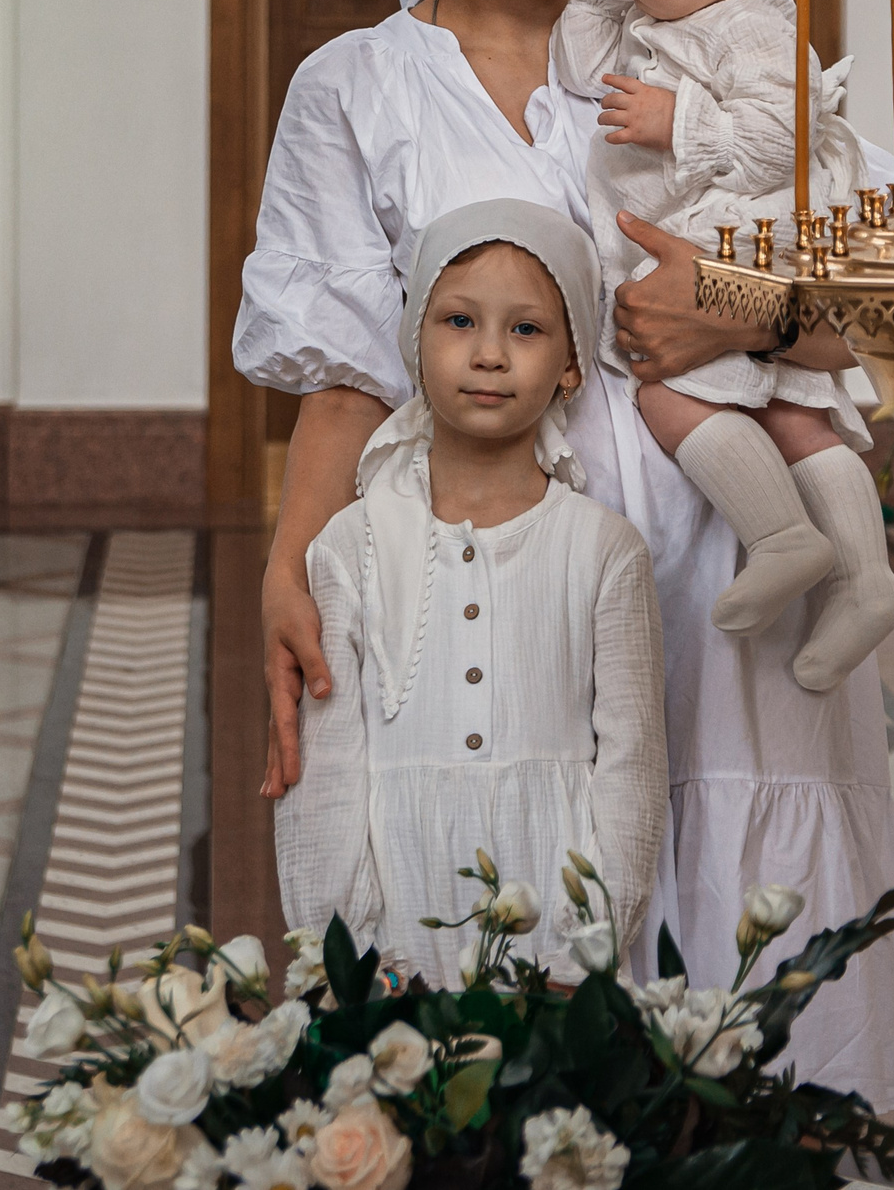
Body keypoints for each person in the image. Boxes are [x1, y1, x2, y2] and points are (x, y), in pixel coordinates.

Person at [235, 0, 894, 1108]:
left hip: (732, 537)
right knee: (523, 867)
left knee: (744, 862)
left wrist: (740, 308)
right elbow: (348, 369)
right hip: (492, 555)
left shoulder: (715, 46)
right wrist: (290, 563)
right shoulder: (357, 89)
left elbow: (890, 293)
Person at [550, 0, 894, 687]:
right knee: (794, 412)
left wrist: (681, 120)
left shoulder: (758, 27)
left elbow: (780, 135)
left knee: (667, 392)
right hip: (721, 244)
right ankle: (863, 578)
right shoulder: (667, 15)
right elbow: (579, 64)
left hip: (755, 245)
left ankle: (784, 536)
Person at [276, 200, 664, 987]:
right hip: (394, 934)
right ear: (415, 344)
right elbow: (327, 778)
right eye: (458, 321)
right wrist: (343, 959)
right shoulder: (349, 548)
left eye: (525, 329)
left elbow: (632, 768)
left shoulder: (604, 550)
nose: (489, 354)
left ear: (571, 363)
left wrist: (585, 948)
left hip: (555, 923)